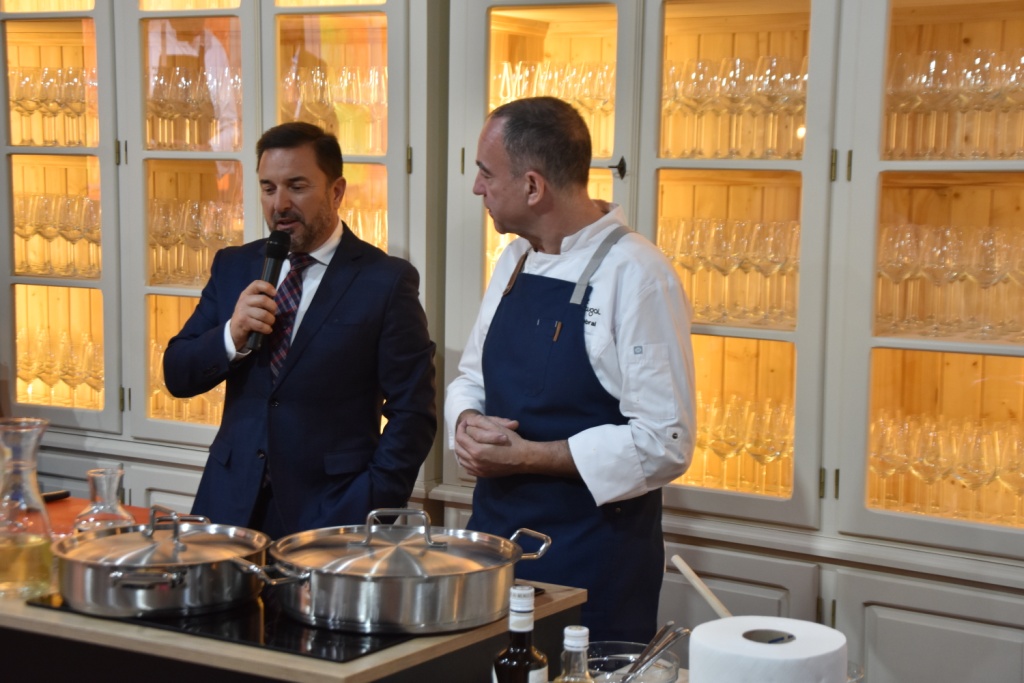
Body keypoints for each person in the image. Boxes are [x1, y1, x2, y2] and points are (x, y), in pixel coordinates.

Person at [445, 97, 696, 643]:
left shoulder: (639, 275)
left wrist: (527, 456)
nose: (477, 188)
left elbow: (665, 443)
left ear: (533, 187)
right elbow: (471, 377)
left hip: (592, 561)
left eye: (486, 173)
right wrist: (465, 422)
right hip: (495, 549)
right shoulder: (513, 260)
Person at [164, 122, 437, 539]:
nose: (280, 204)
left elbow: (413, 413)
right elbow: (177, 374)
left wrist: (369, 503)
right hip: (229, 507)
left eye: (297, 186)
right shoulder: (234, 266)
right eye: (268, 188)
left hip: (333, 513)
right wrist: (232, 335)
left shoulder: (385, 281)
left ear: (336, 191)